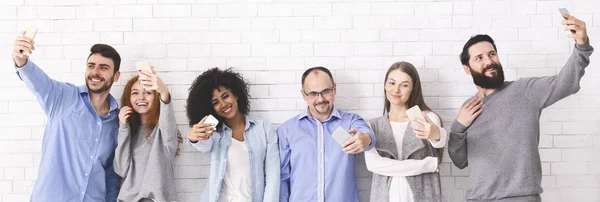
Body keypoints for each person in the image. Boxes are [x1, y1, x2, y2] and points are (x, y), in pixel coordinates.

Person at [448, 13, 593, 201]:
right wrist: (458, 126)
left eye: (492, 54)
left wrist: (581, 46)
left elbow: (566, 83)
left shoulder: (524, 90)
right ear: (467, 69)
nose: (489, 61)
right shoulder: (468, 108)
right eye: (479, 58)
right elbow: (460, 161)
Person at [12, 34, 121, 201]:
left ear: (116, 76)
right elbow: (36, 80)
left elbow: (111, 171)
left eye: (103, 67)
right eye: (91, 66)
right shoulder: (63, 97)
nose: (95, 72)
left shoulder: (117, 121)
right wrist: (21, 59)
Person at [277, 66, 376, 202]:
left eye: (326, 91)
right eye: (313, 93)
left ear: (334, 89)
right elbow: (282, 177)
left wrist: (366, 139)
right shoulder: (287, 130)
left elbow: (367, 134)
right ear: (304, 95)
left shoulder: (351, 121)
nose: (320, 99)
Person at [186, 68, 279, 202]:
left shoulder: (264, 129)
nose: (223, 104)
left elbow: (273, 176)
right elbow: (204, 145)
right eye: (215, 102)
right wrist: (194, 138)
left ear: (235, 94)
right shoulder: (215, 133)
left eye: (225, 96)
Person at [366, 61, 447, 202]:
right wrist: (427, 165)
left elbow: (438, 144)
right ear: (385, 85)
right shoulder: (373, 126)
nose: (396, 90)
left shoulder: (427, 119)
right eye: (392, 83)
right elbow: (373, 164)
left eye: (404, 85)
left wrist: (437, 135)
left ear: (413, 89)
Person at [113, 69, 181, 201]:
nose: (141, 97)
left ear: (156, 97)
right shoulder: (129, 132)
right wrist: (123, 126)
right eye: (135, 93)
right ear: (129, 98)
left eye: (148, 92)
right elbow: (121, 169)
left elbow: (167, 122)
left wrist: (164, 92)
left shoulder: (162, 131)